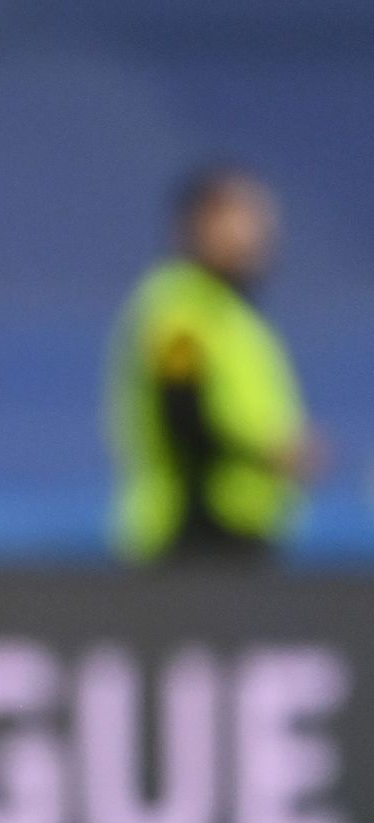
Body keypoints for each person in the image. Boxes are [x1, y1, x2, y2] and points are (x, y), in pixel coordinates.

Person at [108, 167, 315, 565]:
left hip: (239, 531)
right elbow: (182, 411)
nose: (257, 235)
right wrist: (269, 454)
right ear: (201, 225)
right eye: (242, 220)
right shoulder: (180, 312)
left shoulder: (231, 313)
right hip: (192, 533)